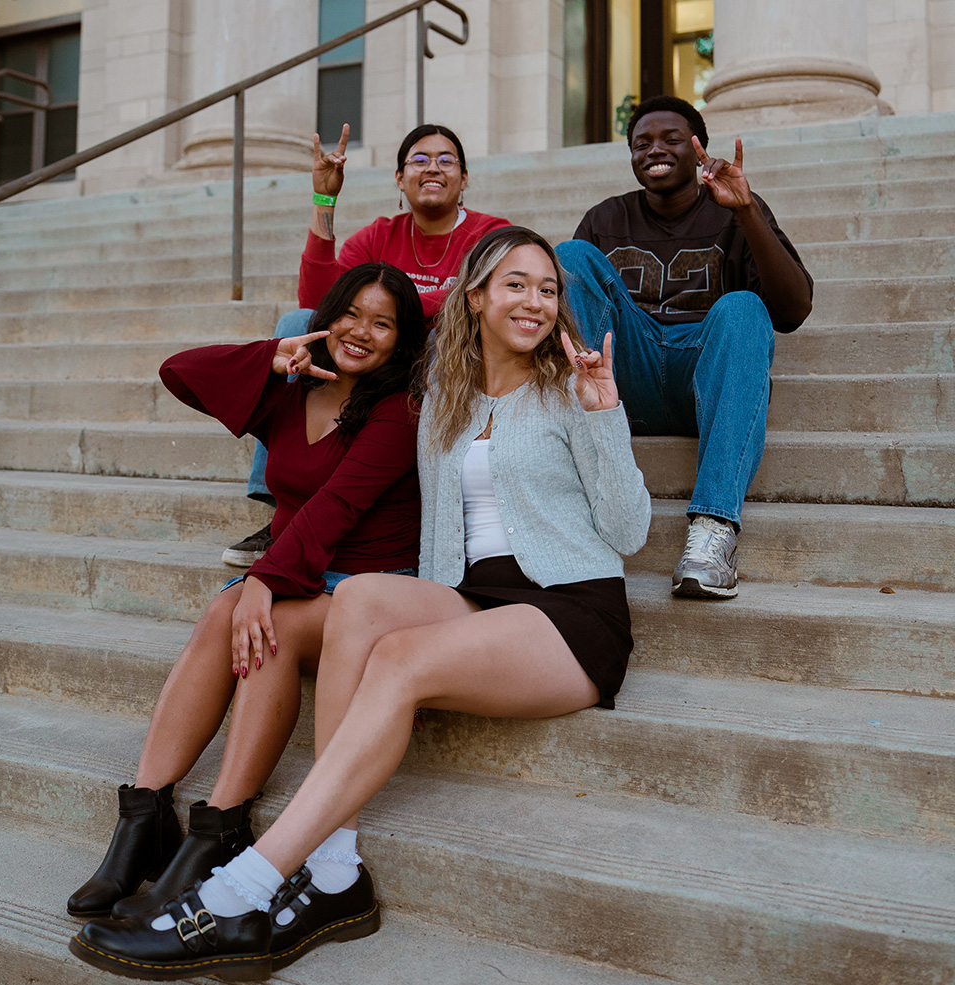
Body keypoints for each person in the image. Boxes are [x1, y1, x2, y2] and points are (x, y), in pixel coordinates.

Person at [69, 226, 652, 981]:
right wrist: (275, 355)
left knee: (400, 657)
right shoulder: (440, 393)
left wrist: (604, 413)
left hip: (571, 610)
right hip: (472, 597)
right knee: (364, 601)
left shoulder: (574, 387)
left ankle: (242, 887)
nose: (534, 300)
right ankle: (339, 872)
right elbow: (357, 343)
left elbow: (629, 531)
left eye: (547, 288)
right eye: (515, 284)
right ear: (475, 298)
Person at [66, 263, 427, 924]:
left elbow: (337, 509)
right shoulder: (290, 389)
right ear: (328, 315)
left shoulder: (397, 409)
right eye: (351, 313)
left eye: (383, 323)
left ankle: (223, 819)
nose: (361, 332)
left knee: (261, 619)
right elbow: (181, 372)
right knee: (221, 609)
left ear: (400, 341)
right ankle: (145, 814)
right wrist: (270, 354)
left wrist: (261, 580)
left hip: (367, 586)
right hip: (296, 572)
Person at [555, 95, 813, 599]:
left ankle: (713, 533)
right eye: (641, 143)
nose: (655, 149)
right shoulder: (606, 218)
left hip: (704, 371)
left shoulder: (736, 211)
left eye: (672, 139)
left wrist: (748, 212)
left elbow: (793, 310)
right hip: (627, 377)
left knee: (742, 308)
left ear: (700, 150)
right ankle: (578, 485)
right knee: (569, 256)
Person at [224, 122, 510, 567]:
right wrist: (325, 198)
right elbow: (320, 304)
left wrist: (391, 311)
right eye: (419, 159)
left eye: (445, 159)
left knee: (442, 334)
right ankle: (280, 506)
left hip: (438, 367)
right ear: (399, 179)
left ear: (464, 178)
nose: (432, 167)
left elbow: (477, 298)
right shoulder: (380, 234)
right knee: (297, 323)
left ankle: (432, 502)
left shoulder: (491, 234)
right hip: (375, 361)